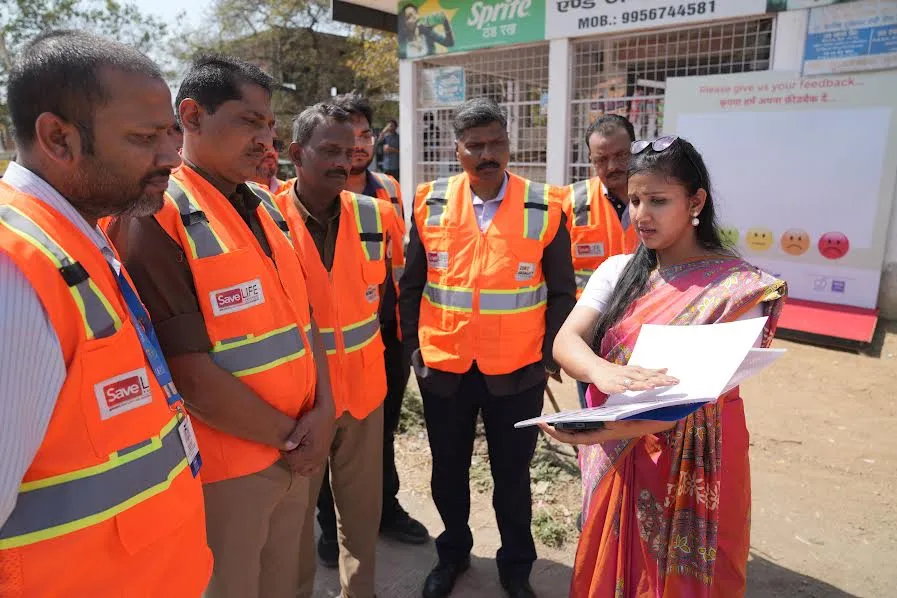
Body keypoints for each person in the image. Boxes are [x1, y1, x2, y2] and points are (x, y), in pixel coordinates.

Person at [106, 55, 334, 598]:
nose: (265, 139)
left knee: (291, 584)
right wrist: (293, 438)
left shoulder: (264, 203)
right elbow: (186, 371)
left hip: (299, 449)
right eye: (249, 122)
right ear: (191, 115)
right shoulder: (153, 214)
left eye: (270, 125)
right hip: (231, 470)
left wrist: (324, 412)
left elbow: (304, 323)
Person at [0, 31, 212, 596]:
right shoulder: (13, 273)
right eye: (146, 138)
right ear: (58, 139)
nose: (172, 154)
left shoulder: (79, 235)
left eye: (170, 133)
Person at [545, 135, 787, 597]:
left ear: (696, 201)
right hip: (618, 447)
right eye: (634, 200)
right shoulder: (618, 271)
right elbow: (566, 341)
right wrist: (600, 372)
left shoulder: (738, 290)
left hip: (700, 456)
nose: (641, 214)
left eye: (658, 201)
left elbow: (699, 393)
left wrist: (605, 429)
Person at [399, 97, 577, 598]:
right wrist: (416, 349)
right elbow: (411, 284)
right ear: (457, 150)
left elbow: (562, 291)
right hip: (445, 368)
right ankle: (452, 554)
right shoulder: (430, 201)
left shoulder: (544, 205)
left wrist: (549, 355)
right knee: (447, 474)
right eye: (474, 145)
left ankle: (516, 569)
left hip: (517, 371)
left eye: (495, 143)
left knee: (512, 478)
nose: (486, 154)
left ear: (509, 144)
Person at [274, 103, 398, 598]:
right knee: (296, 521)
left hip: (364, 394)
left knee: (362, 517)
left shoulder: (378, 215)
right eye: (329, 150)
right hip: (298, 402)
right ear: (296, 154)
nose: (343, 161)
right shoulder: (265, 220)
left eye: (348, 151)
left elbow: (390, 299)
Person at [328, 92, 429, 551]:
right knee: (328, 429)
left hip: (383, 334)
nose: (360, 142)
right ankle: (330, 528)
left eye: (366, 133)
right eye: (349, 134)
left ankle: (386, 509)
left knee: (381, 427)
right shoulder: (305, 192)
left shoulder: (387, 188)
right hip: (327, 341)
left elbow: (399, 262)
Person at [564, 114, 640, 409]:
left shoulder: (659, 196)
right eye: (601, 159)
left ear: (636, 148)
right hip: (592, 339)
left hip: (648, 333)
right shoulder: (571, 203)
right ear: (590, 160)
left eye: (621, 154)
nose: (612, 166)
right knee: (596, 423)